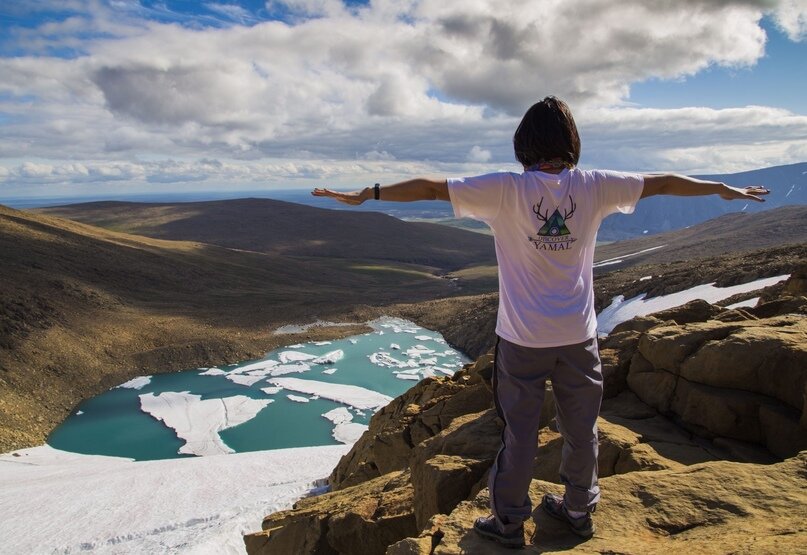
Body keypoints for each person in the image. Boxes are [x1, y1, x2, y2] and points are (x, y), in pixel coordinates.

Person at [312, 96, 768, 549]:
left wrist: (367, 194)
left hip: (522, 339)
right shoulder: (595, 185)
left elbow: (432, 189)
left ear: (523, 143)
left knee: (519, 432)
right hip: (578, 336)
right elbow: (664, 181)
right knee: (582, 427)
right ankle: (577, 510)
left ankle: (508, 522)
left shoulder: (505, 190)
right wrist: (721, 188)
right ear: (571, 141)